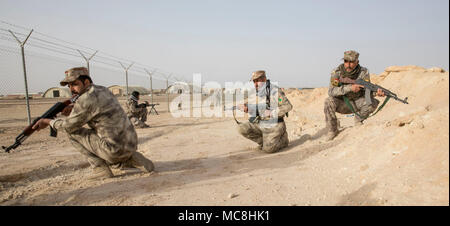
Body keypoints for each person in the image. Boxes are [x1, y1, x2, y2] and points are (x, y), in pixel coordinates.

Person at [32, 67, 154, 180]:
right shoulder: (102, 89)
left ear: (86, 82)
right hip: (131, 144)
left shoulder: (85, 98)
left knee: (72, 132)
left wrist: (48, 122)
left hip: (114, 149)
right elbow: (96, 108)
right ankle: (131, 158)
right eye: (69, 86)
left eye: (75, 84)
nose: (71, 89)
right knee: (110, 143)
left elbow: (68, 126)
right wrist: (74, 107)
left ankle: (100, 169)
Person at [324, 50, 385, 141]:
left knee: (371, 102)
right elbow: (331, 91)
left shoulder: (363, 72)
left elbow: (367, 91)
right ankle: (332, 130)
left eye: (351, 62)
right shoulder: (336, 72)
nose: (348, 64)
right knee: (328, 101)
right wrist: (350, 88)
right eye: (346, 61)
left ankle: (358, 120)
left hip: (357, 102)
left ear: (357, 62)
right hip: (343, 104)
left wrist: (376, 93)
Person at [237, 70, 293, 153]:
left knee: (269, 150)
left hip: (275, 125)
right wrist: (248, 108)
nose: (255, 84)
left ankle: (283, 141)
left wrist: (272, 113)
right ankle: (264, 142)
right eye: (254, 81)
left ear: (264, 79)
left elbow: (288, 106)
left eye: (257, 81)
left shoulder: (274, 91)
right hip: (262, 123)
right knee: (242, 128)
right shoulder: (259, 92)